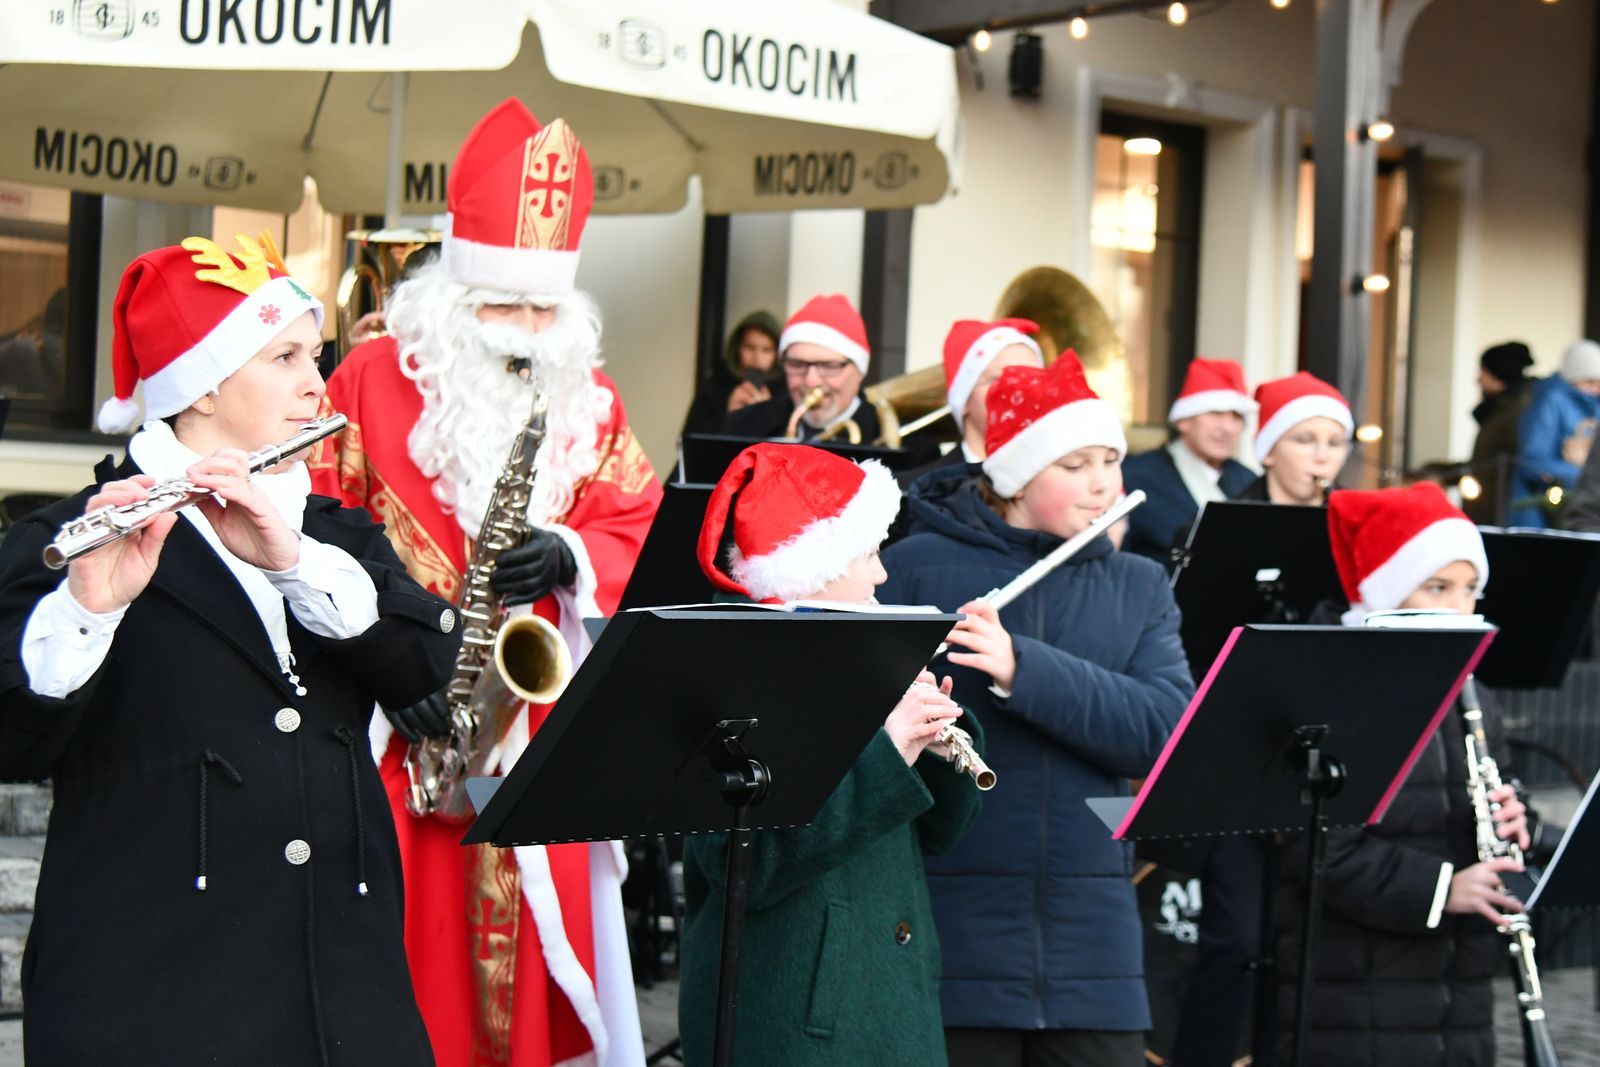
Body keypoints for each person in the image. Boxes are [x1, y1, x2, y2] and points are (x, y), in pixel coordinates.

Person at [0, 235, 460, 1063]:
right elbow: (13, 741)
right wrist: (85, 611)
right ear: (202, 385)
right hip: (152, 1003)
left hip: (346, 1002)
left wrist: (297, 565)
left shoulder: (333, 534)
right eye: (285, 357)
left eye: (314, 355)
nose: (317, 384)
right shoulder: (65, 539)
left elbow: (431, 666)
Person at [309, 99, 660, 1067]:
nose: (529, 332)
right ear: (453, 296)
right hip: (396, 722)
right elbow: (308, 528)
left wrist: (569, 553)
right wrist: (385, 663)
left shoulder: (589, 396)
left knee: (531, 964)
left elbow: (634, 519)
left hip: (531, 732)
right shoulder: (366, 378)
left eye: (545, 310)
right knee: (399, 960)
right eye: (505, 307)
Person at [878, 353, 1193, 1066]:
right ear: (1016, 477)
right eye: (1075, 464)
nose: (1104, 482)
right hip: (951, 929)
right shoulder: (913, 568)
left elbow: (1167, 731)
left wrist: (1025, 669)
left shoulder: (1139, 584)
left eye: (1111, 460)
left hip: (1092, 947)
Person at [677, 442, 982, 1065]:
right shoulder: (730, 678)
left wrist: (932, 745)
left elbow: (941, 836)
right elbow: (747, 873)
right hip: (793, 1021)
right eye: (869, 554)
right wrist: (888, 752)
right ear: (812, 568)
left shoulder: (862, 659)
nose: (882, 576)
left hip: (889, 1000)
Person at [1273, 482, 1531, 1066]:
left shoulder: (1473, 694)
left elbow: (1486, 804)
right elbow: (1317, 848)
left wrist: (1516, 818)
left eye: (1470, 589)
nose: (1460, 607)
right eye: (1437, 587)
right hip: (1354, 994)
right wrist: (1442, 889)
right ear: (1388, 591)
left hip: (1457, 993)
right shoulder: (1334, 692)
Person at [1121, 357, 1257, 563]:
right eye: (1216, 413)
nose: (1228, 427)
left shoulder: (1248, 480)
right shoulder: (1136, 475)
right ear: (1183, 421)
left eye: (1237, 417)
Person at [720, 294, 883, 443]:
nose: (811, 381)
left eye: (829, 366)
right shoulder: (743, 424)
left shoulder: (884, 433)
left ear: (859, 372)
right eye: (797, 364)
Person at [1510, 339, 1600, 528]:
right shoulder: (1549, 401)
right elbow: (1532, 462)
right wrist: (1583, 473)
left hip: (1580, 503)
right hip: (1542, 506)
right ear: (1572, 378)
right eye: (1590, 381)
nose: (1596, 388)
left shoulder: (1593, 405)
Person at [1233, 371, 1352, 504]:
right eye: (1304, 440)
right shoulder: (1227, 516)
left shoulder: (1357, 514)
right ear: (1268, 452)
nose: (1322, 457)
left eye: (1334, 443)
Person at [1463, 341, 1535, 524]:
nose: (1478, 379)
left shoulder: (1515, 415)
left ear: (1499, 375)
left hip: (1500, 517)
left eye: (1484, 371)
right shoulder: (1500, 411)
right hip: (1490, 511)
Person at [679, 310, 783, 436]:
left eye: (766, 350)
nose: (756, 357)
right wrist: (728, 415)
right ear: (737, 348)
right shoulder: (715, 385)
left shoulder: (785, 392)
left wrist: (767, 413)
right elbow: (689, 439)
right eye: (749, 347)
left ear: (777, 354)